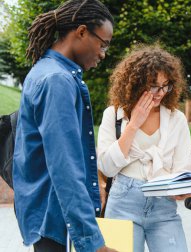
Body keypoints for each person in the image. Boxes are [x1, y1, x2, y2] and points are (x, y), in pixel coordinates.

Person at [12, 0, 116, 251]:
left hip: (47, 213)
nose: (103, 53)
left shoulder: (44, 70)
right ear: (81, 32)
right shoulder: (57, 80)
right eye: (103, 44)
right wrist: (92, 242)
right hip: (55, 218)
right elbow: (65, 167)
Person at [97, 44, 191, 252]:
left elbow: (183, 168)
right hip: (122, 204)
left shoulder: (177, 119)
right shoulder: (113, 115)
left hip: (164, 209)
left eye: (166, 85)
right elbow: (106, 167)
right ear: (136, 84)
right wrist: (133, 125)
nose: (160, 93)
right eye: (153, 86)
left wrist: (183, 189)